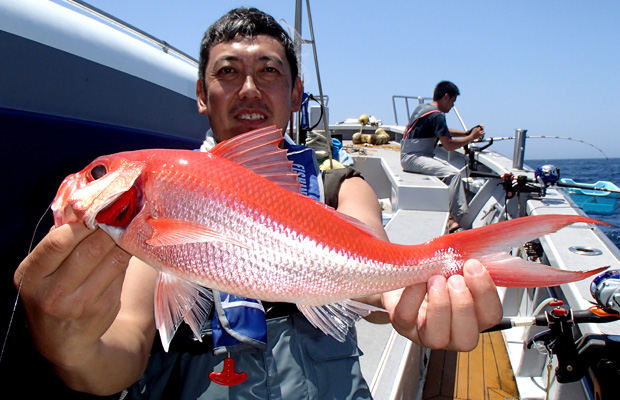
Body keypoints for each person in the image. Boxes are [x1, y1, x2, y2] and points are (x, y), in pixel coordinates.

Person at [13, 9, 502, 399]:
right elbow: (126, 345)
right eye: (228, 72)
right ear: (202, 96)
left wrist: (402, 292)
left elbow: (373, 274)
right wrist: (70, 348)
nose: (248, 88)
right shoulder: (159, 209)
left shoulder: (340, 187)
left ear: (295, 96)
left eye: (268, 71)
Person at [400, 81, 485, 232]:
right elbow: (449, 145)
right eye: (453, 101)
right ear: (446, 97)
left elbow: (443, 130)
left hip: (408, 155)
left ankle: (446, 209)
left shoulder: (424, 109)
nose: (452, 106)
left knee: (446, 173)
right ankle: (452, 221)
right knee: (453, 175)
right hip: (414, 157)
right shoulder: (437, 116)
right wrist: (472, 137)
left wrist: (466, 133)